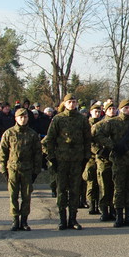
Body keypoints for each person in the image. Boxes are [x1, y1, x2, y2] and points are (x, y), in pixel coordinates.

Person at [92, 99, 129, 228]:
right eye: (125, 108)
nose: (128, 110)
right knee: (119, 189)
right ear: (120, 109)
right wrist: (113, 146)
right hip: (119, 160)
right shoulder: (112, 123)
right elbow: (98, 135)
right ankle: (119, 216)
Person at [43, 94, 91, 230]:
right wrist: (51, 157)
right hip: (61, 160)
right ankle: (62, 219)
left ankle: (73, 219)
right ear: (65, 103)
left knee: (75, 190)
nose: (72, 104)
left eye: (74, 102)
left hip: (77, 160)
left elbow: (87, 139)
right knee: (62, 190)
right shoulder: (58, 119)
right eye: (69, 102)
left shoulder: (82, 119)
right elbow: (50, 139)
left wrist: (86, 157)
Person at [0, 107, 42, 231]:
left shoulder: (32, 134)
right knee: (13, 195)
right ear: (16, 118)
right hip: (13, 169)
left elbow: (37, 154)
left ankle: (24, 220)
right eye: (20, 117)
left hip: (27, 170)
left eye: (25, 117)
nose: (23, 119)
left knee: (26, 195)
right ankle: (15, 220)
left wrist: (36, 171)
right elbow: (3, 152)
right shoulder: (9, 133)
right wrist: (3, 169)